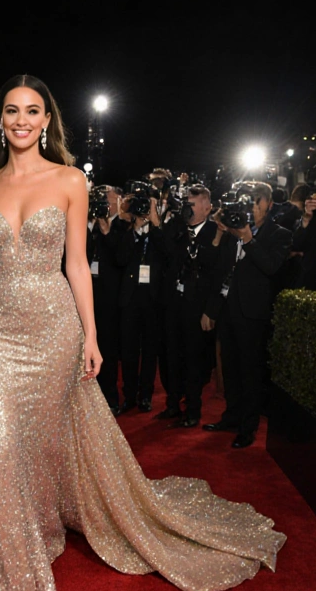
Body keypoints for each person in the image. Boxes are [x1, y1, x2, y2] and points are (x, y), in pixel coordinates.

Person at [0, 75, 285, 591]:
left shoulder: (70, 180)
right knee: (0, 443)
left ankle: (42, 525)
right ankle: (8, 571)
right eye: (12, 111)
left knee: (40, 441)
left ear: (47, 121)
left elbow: (77, 264)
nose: (22, 120)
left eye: (33, 111)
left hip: (54, 325)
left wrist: (91, 336)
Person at [202, 181, 292, 449]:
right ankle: (231, 416)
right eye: (247, 202)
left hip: (253, 313)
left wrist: (248, 239)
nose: (251, 207)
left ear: (268, 204)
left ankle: (248, 427)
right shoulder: (231, 229)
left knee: (250, 371)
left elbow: (271, 267)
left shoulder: (279, 234)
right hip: (228, 309)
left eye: (255, 202)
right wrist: (212, 309)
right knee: (229, 368)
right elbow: (220, 271)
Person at [161, 184, 225, 428]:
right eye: (186, 203)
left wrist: (210, 310)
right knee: (171, 355)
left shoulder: (216, 232)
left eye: (193, 204)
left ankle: (193, 410)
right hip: (174, 302)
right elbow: (166, 252)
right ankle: (172, 404)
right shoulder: (177, 228)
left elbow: (216, 274)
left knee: (194, 358)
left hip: (197, 305)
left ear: (207, 208)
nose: (187, 208)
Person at [116, 193, 166, 413]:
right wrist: (135, 230)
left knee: (149, 350)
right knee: (128, 350)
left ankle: (146, 395)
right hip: (130, 297)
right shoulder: (126, 231)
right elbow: (120, 258)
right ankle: (129, 395)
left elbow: (168, 253)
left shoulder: (159, 231)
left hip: (153, 298)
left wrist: (154, 224)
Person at [88, 186, 128, 413]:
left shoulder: (123, 226)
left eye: (109, 201)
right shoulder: (88, 225)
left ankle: (109, 398)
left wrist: (107, 233)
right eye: (102, 201)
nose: (105, 205)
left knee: (108, 350)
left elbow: (122, 259)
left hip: (110, 298)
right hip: (88, 294)